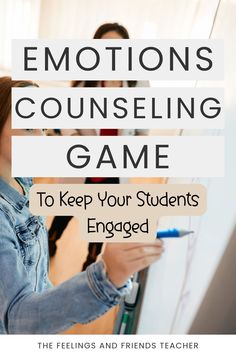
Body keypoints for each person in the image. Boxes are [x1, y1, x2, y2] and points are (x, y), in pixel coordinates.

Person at [0, 76, 164, 334]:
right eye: (29, 127)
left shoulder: (22, 179)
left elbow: (34, 278)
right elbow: (19, 320)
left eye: (43, 127)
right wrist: (106, 277)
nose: (42, 138)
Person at [48, 22, 149, 259]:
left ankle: (91, 258)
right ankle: (51, 240)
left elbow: (143, 131)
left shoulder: (139, 85)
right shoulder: (85, 82)